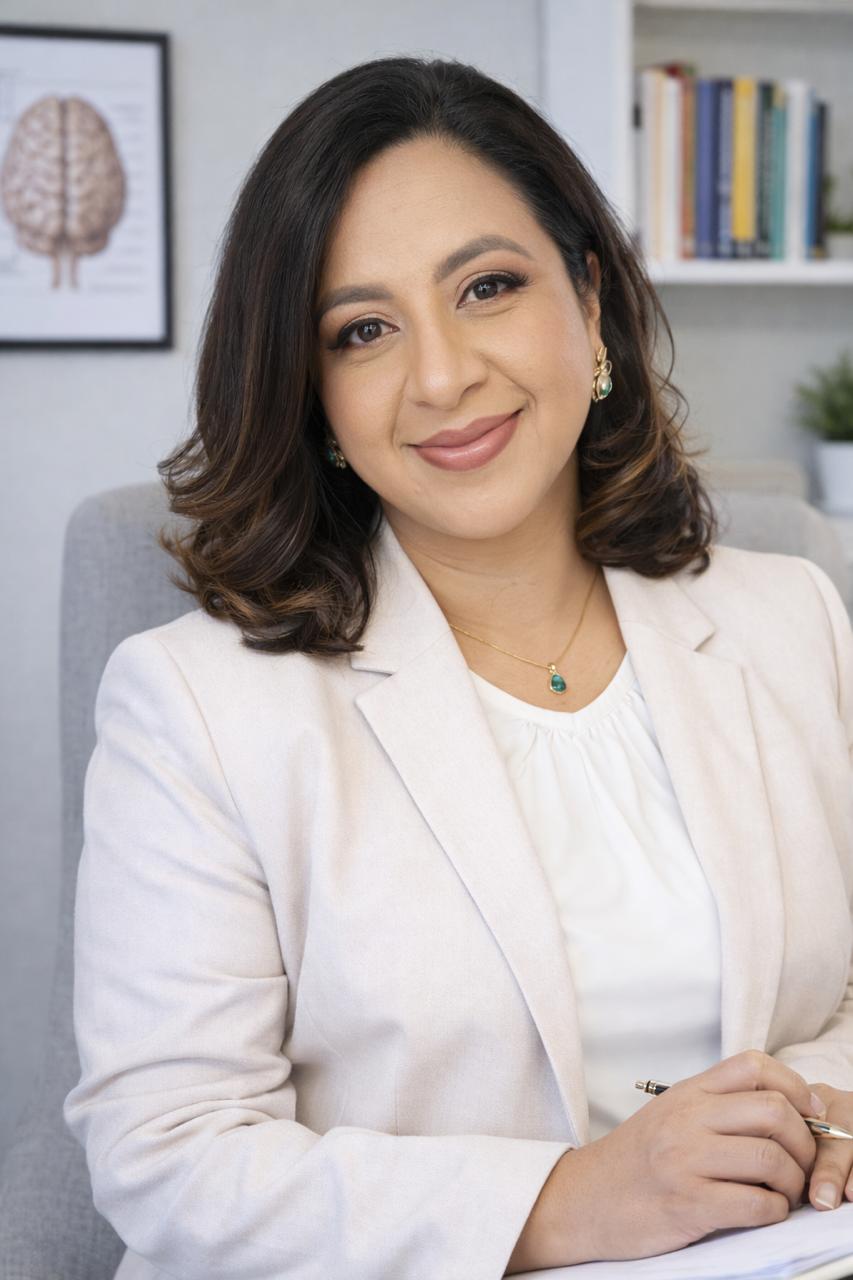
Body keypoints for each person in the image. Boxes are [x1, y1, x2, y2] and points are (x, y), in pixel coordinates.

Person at [62, 55, 853, 1280]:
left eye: (487, 286)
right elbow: (168, 1153)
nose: (441, 376)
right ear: (314, 393)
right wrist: (568, 1201)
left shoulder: (790, 615)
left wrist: (815, 1111)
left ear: (588, 299)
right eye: (363, 329)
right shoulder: (196, 705)